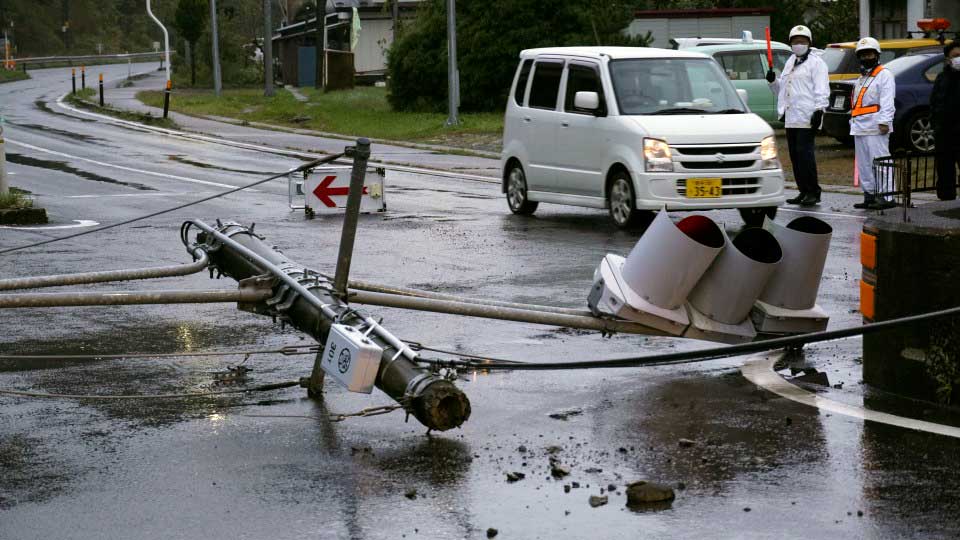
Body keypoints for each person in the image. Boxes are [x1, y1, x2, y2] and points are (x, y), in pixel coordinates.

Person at [766, 25, 830, 207]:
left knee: (805, 155)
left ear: (809, 43)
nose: (798, 44)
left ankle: (813, 191)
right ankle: (803, 190)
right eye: (795, 41)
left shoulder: (816, 63)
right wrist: (772, 81)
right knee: (795, 156)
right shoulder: (790, 62)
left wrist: (820, 109)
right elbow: (781, 91)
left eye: (802, 41)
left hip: (807, 116)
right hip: (791, 117)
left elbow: (822, 89)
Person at [849, 37, 896, 210]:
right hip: (859, 127)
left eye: (869, 54)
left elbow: (887, 101)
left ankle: (887, 196)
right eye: (862, 55)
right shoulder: (861, 79)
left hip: (876, 127)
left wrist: (885, 121)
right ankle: (869, 195)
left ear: (876, 55)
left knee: (881, 162)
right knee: (864, 165)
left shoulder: (884, 75)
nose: (865, 58)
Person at [931, 40, 960, 201]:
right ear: (948, 59)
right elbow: (934, 103)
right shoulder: (942, 78)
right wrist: (935, 125)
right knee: (945, 170)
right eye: (955, 56)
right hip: (944, 134)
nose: (958, 59)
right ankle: (946, 201)